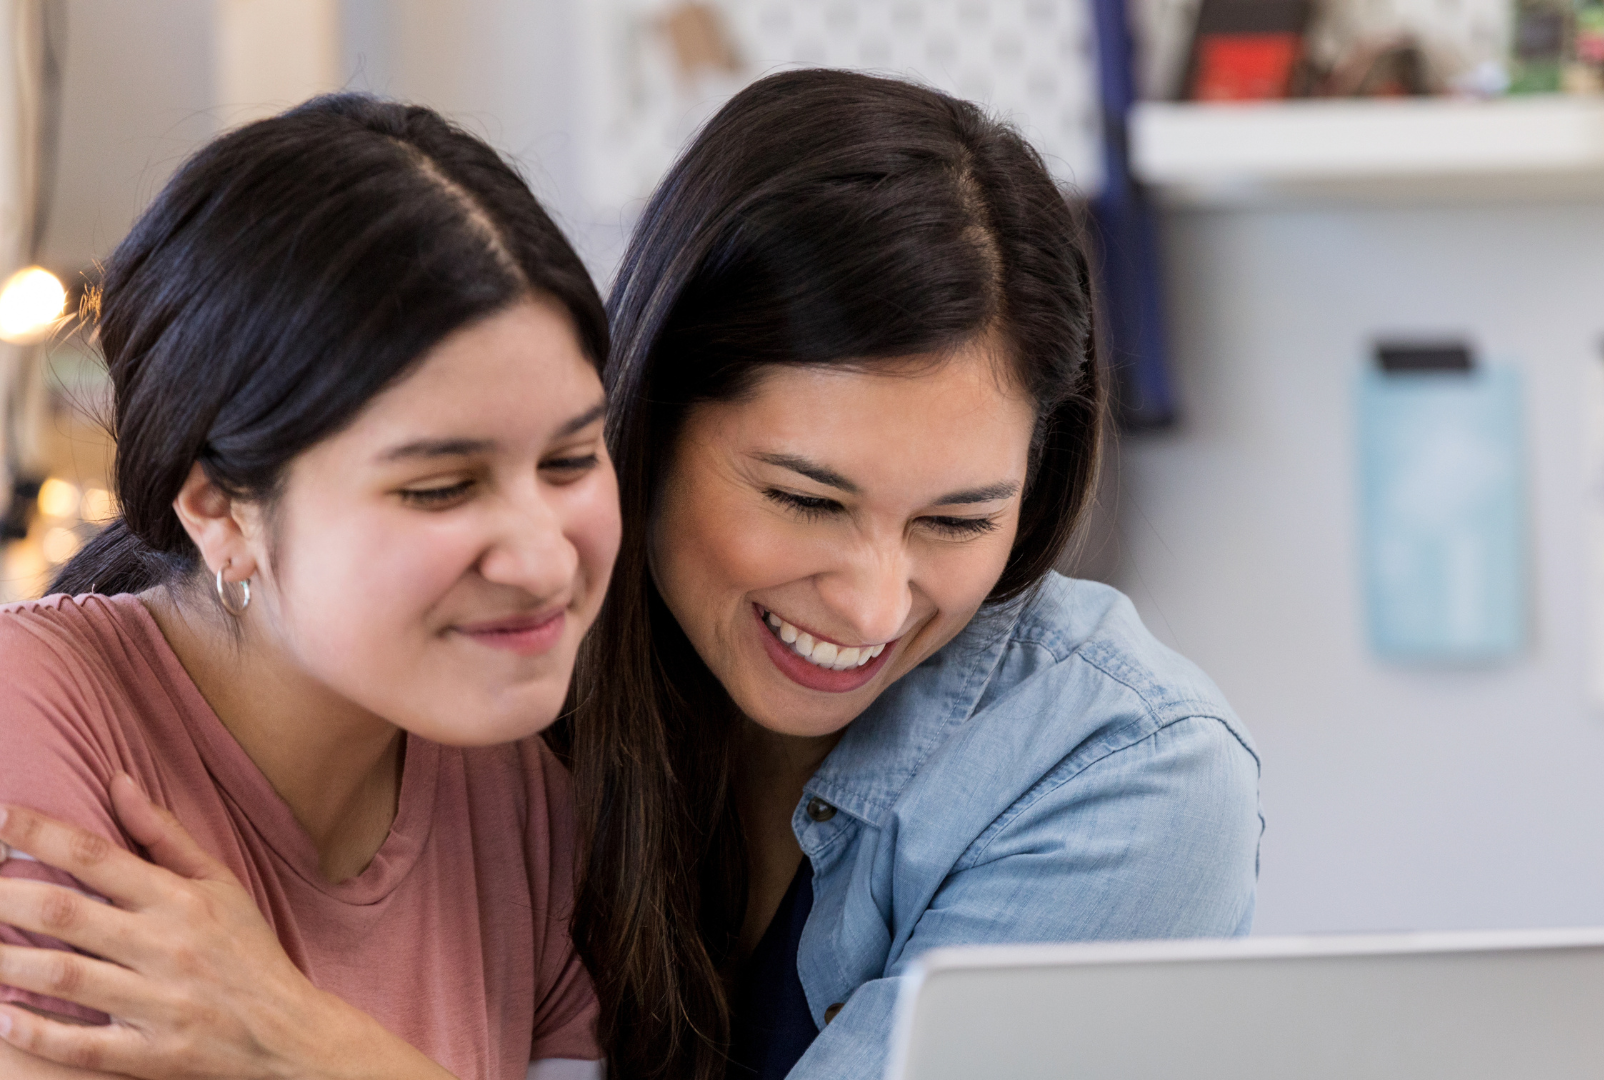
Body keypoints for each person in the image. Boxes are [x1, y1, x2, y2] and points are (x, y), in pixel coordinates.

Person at [560, 69, 1263, 1080]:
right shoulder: (496, 677)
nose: (873, 605)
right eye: (806, 500)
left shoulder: (1130, 772)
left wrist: (310, 1044)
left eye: (955, 521)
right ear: (649, 418)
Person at [0, 94, 619, 1080]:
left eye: (572, 459)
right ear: (220, 511)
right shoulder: (32, 722)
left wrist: (306, 1042)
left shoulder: (524, 809)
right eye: (441, 487)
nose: (546, 560)